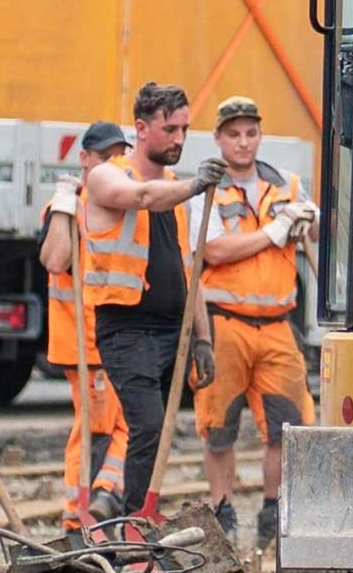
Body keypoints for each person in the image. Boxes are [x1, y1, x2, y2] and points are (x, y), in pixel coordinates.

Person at [82, 83, 224, 521]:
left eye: (184, 129)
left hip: (170, 332)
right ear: (141, 129)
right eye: (169, 129)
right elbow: (140, 198)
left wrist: (203, 337)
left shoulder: (178, 194)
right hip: (125, 328)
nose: (179, 139)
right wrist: (196, 186)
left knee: (161, 431)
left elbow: (190, 266)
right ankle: (129, 522)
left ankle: (142, 515)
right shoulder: (108, 174)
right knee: (145, 426)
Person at [194, 96, 318, 548]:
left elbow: (317, 227)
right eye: (233, 134)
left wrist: (305, 219)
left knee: (288, 426)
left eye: (250, 133)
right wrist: (271, 232)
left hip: (278, 325)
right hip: (225, 324)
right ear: (219, 138)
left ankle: (272, 515)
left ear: (259, 135)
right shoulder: (209, 187)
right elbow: (214, 251)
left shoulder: (285, 183)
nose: (243, 142)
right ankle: (223, 514)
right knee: (218, 428)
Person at [37, 121, 133, 538]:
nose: (112, 164)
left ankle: (100, 500)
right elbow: (56, 260)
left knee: (120, 424)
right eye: (103, 157)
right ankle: (83, 512)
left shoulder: (118, 203)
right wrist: (63, 203)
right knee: (97, 430)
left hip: (112, 338)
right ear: (84, 159)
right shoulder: (70, 207)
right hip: (86, 342)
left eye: (118, 156)